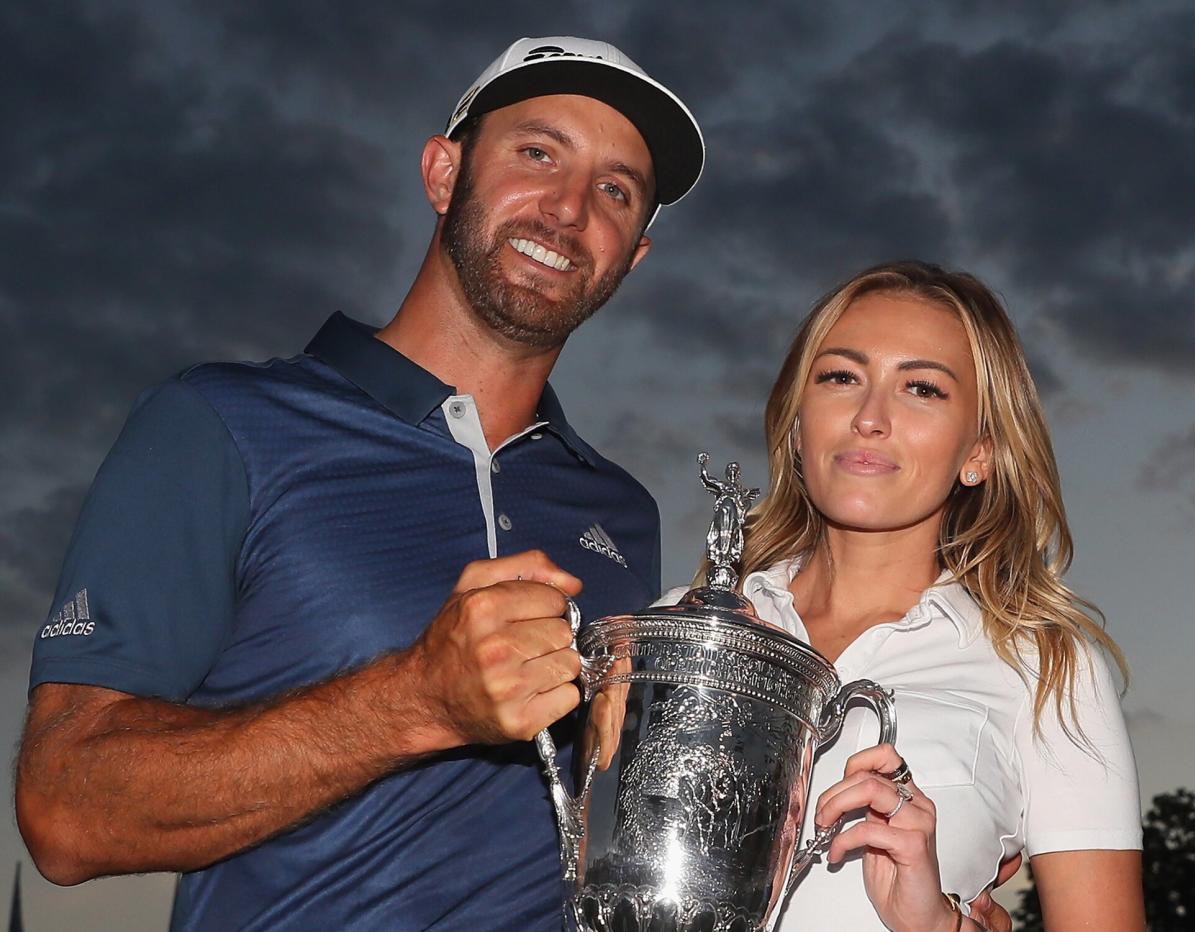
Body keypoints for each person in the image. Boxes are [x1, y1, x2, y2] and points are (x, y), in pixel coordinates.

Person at [15, 36, 704, 930]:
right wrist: (417, 697)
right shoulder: (219, 424)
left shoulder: (621, 513)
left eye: (615, 190)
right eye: (537, 153)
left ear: (634, 255)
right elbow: (65, 811)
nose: (569, 210)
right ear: (443, 173)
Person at [727, 261, 1145, 930]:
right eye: (840, 377)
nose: (870, 417)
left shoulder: (1049, 669)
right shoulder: (672, 633)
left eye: (921, 388)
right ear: (797, 425)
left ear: (978, 452)